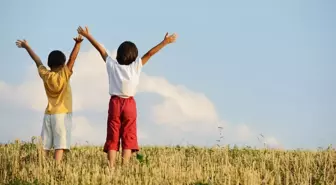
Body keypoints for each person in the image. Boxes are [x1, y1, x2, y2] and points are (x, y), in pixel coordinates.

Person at [77, 26, 177, 167]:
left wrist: (87, 36)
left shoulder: (112, 65)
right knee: (128, 134)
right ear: (134, 56)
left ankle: (111, 166)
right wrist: (165, 42)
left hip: (115, 103)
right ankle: (125, 165)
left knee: (113, 135)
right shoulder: (136, 66)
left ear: (118, 55)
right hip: (129, 104)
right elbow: (149, 54)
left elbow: (101, 49)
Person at [15, 34, 84, 162]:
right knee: (60, 145)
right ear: (63, 64)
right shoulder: (64, 74)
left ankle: (42, 164)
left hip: (48, 115)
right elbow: (72, 59)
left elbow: (37, 61)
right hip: (62, 114)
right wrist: (78, 44)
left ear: (49, 64)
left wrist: (27, 46)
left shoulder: (46, 75)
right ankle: (56, 166)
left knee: (45, 145)